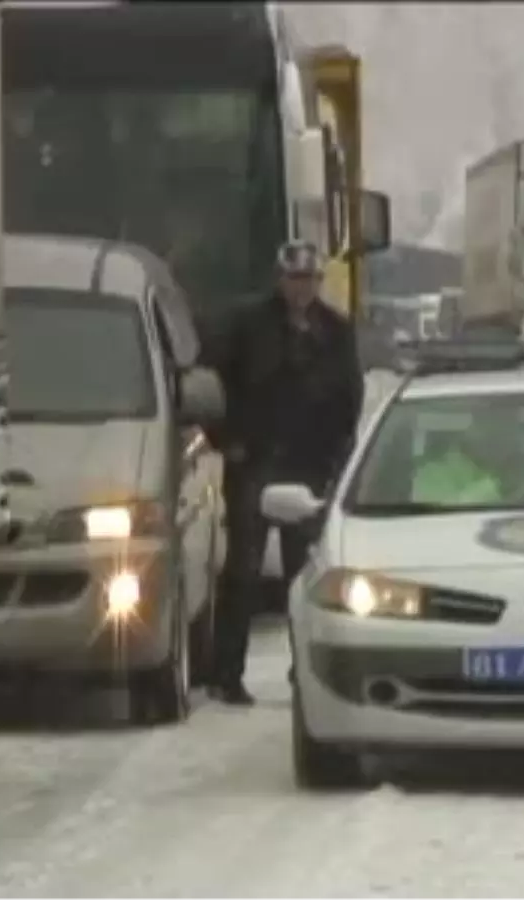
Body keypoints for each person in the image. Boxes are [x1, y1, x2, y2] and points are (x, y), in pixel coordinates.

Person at [204, 240, 365, 705]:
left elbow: (348, 400)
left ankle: (307, 675)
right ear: (279, 280)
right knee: (242, 573)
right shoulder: (247, 326)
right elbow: (215, 389)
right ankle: (226, 675)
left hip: (308, 468)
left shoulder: (335, 332)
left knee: (304, 577)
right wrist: (227, 442)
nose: (302, 288)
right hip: (253, 462)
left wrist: (336, 459)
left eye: (310, 279)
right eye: (294, 279)